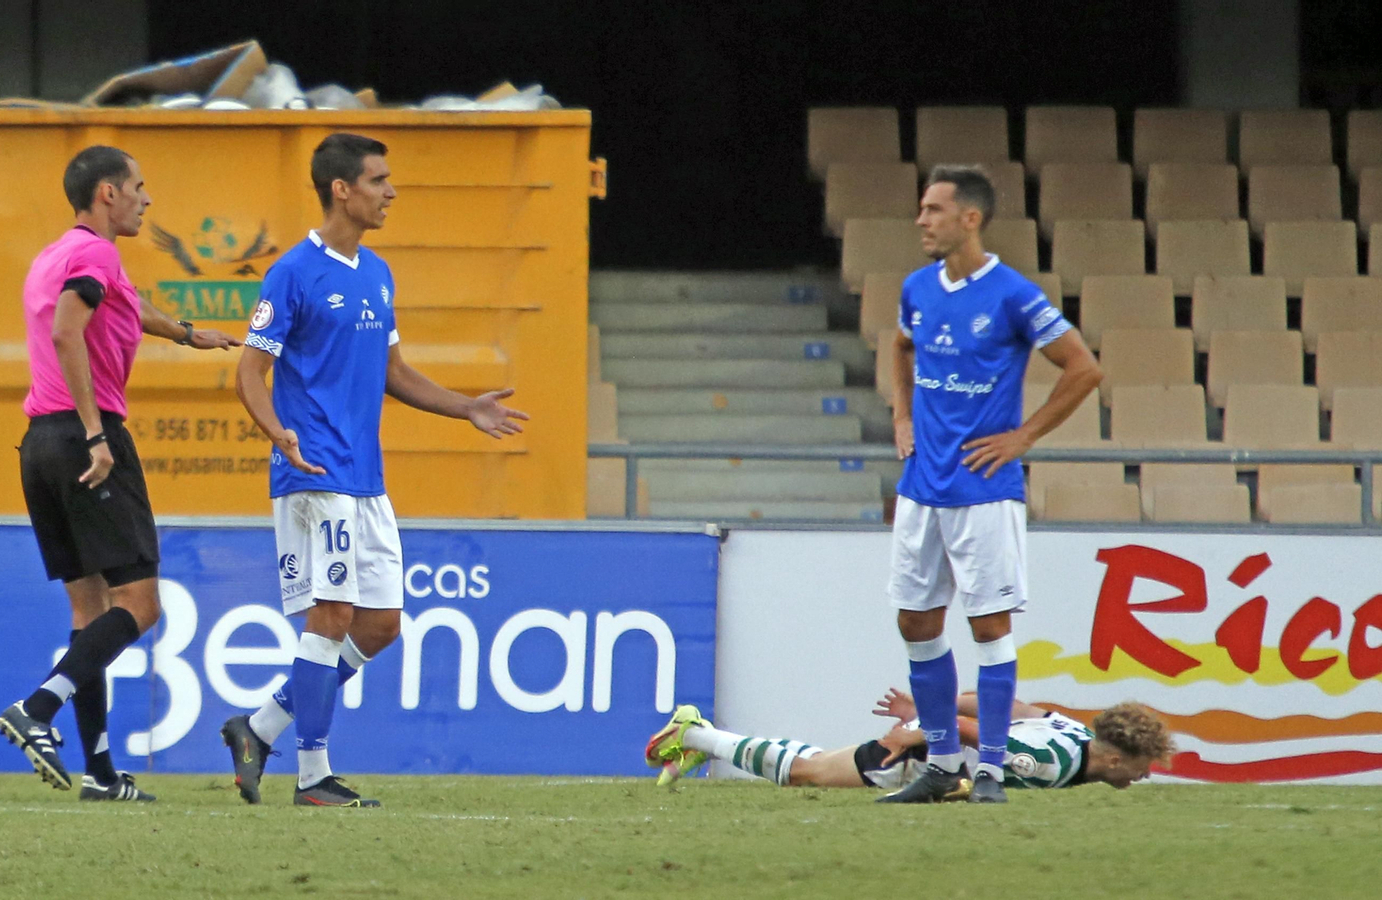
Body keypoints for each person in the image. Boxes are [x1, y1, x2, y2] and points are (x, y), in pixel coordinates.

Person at [220, 133, 529, 808]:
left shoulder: (378, 273)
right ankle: (312, 777)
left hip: (366, 478)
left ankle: (260, 726)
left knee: (382, 625)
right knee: (329, 615)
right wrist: (281, 436)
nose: (391, 191)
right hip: (314, 470)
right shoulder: (295, 273)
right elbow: (249, 370)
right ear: (342, 189)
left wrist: (464, 407)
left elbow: (393, 373)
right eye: (379, 180)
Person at [0, 146, 239, 801]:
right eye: (138, 186)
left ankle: (101, 776)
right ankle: (37, 709)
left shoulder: (59, 254)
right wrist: (98, 434)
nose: (146, 198)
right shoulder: (97, 255)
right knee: (141, 604)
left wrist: (188, 334)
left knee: (89, 611)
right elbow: (68, 331)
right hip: (86, 435)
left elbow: (125, 307)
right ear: (107, 193)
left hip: (40, 443)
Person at [880, 166, 1102, 804]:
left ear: (969, 218)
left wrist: (1024, 436)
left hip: (984, 487)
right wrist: (900, 415)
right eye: (921, 209)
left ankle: (993, 770)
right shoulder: (918, 289)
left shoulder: (1012, 294)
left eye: (933, 209)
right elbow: (898, 346)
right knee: (916, 622)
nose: (922, 220)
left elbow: (1083, 368)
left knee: (989, 626)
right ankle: (944, 764)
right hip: (923, 484)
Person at [646, 690, 1173, 795]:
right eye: (1141, 765)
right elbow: (975, 732)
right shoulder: (1051, 762)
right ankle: (693, 732)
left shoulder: (1074, 729)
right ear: (1112, 756)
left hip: (927, 746)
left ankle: (701, 740)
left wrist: (927, 711)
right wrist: (918, 730)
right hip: (918, 757)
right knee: (809, 771)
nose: (1145, 774)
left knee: (814, 763)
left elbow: (1003, 706)